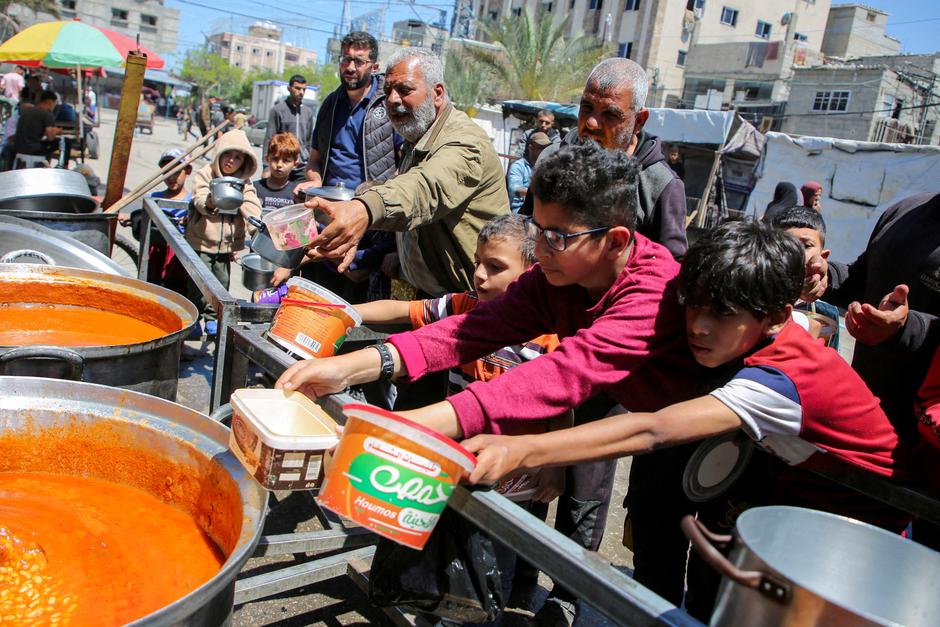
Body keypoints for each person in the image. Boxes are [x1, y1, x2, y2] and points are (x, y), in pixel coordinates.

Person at [276, 142, 702, 616]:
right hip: (656, 419)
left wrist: (410, 425)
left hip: (727, 433)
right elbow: (470, 329)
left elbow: (556, 376)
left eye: (558, 237)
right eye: (538, 230)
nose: (540, 250)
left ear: (616, 240)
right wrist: (349, 365)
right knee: (655, 546)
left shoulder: (653, 294)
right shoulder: (556, 277)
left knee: (692, 576)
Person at [462, 219, 916, 620]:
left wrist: (524, 449)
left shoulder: (778, 381)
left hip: (857, 525)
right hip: (797, 500)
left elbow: (654, 428)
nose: (698, 325)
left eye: (722, 314)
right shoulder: (754, 337)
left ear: (775, 318)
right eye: (693, 305)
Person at [302, 47, 510, 297]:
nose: (392, 99)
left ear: (437, 93)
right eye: (388, 90)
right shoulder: (417, 136)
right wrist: (398, 256)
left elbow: (424, 188)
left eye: (404, 90)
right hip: (426, 293)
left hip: (469, 300)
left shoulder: (465, 142)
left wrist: (364, 210)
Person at [521, 58, 687, 260]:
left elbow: (671, 268)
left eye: (610, 114)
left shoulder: (661, 185)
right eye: (587, 107)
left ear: (639, 121)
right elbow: (523, 230)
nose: (591, 123)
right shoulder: (550, 159)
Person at [299, 31, 400, 192]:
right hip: (329, 200)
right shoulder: (330, 104)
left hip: (371, 205)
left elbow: (407, 162)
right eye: (346, 59)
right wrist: (315, 181)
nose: (350, 68)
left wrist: (382, 196)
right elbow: (314, 160)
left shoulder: (390, 104)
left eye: (359, 61)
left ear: (374, 67)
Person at [188, 129, 262, 337]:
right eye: (227, 155)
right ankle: (194, 318)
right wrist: (211, 201)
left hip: (226, 244)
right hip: (202, 240)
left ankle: (213, 318)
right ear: (219, 154)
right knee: (197, 282)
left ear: (245, 162)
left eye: (237, 157)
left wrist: (254, 223)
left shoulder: (244, 183)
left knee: (221, 282)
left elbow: (250, 203)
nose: (231, 161)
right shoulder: (206, 173)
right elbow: (199, 198)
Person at [770, 206, 841, 348]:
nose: (795, 252)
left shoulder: (826, 314)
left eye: (806, 245)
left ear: (823, 256)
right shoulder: (758, 299)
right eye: (786, 244)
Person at [263, 74, 314, 179]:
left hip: (302, 165)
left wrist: (310, 162)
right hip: (282, 164)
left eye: (304, 89)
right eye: (298, 88)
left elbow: (309, 141)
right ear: (289, 88)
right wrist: (266, 167)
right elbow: (270, 138)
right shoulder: (277, 110)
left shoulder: (307, 112)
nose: (301, 92)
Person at [255, 132, 302, 214]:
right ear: (267, 159)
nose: (279, 165)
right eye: (275, 159)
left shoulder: (297, 193)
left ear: (295, 164)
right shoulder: (254, 188)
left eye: (286, 161)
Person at [12, 90, 60, 167]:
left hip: (19, 148)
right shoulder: (47, 114)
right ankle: (58, 165)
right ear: (50, 102)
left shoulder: (26, 112)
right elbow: (50, 137)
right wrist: (56, 131)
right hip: (33, 150)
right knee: (59, 143)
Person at [507, 131, 550, 213]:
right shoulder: (518, 166)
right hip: (520, 211)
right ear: (531, 148)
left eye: (547, 147)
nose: (545, 151)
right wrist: (539, 194)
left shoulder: (546, 166)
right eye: (541, 148)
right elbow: (514, 189)